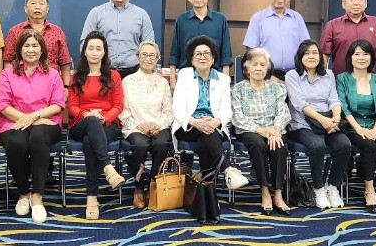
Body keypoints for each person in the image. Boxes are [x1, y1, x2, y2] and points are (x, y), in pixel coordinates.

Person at [0, 30, 65, 223]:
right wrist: (28, 119)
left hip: (46, 122)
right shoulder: (8, 73)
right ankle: (23, 192)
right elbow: (2, 105)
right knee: (17, 143)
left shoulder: (52, 74)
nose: (31, 50)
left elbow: (58, 104)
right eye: (26, 46)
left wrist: (34, 117)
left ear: (42, 50)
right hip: (13, 121)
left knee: (37, 137)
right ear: (19, 50)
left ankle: (37, 197)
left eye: (35, 46)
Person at [172, 35, 249, 192]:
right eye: (198, 54)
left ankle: (205, 191)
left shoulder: (223, 79)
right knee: (207, 132)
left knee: (207, 133)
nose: (202, 57)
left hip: (214, 126)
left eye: (207, 53)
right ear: (192, 60)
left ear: (213, 59)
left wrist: (217, 120)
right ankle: (227, 171)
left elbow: (227, 110)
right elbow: (178, 108)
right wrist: (195, 122)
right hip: (188, 126)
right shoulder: (185, 75)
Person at [284, 40, 352, 209]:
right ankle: (318, 188)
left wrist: (336, 117)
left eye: (315, 53)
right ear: (300, 57)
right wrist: (324, 121)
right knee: (317, 145)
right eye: (306, 53)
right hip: (302, 124)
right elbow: (299, 104)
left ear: (321, 57)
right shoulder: (292, 76)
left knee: (344, 144)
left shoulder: (328, 75)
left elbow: (334, 100)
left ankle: (332, 186)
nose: (311, 56)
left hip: (328, 121)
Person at [68, 31, 127, 219]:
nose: (94, 52)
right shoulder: (77, 76)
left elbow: (118, 105)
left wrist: (105, 117)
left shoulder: (114, 76)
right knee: (91, 124)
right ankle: (108, 168)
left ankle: (91, 198)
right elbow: (72, 106)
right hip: (80, 123)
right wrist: (87, 115)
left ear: (104, 52)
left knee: (89, 142)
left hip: (108, 124)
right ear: (84, 51)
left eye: (98, 49)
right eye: (90, 48)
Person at [231, 48, 291, 216]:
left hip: (274, 128)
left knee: (279, 146)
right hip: (249, 129)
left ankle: (278, 193)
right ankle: (264, 191)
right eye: (254, 64)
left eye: (262, 65)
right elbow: (237, 117)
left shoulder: (277, 89)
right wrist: (261, 131)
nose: (258, 68)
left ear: (268, 68)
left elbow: (283, 112)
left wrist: (276, 130)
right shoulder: (238, 89)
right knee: (258, 146)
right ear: (246, 69)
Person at [335, 40, 376, 214]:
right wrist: (359, 129)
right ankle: (369, 190)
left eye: (366, 54)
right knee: (368, 145)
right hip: (353, 125)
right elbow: (343, 106)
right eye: (357, 54)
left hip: (375, 124)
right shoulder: (342, 79)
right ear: (350, 57)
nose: (361, 58)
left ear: (372, 57)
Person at [119, 41, 173, 209]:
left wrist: (158, 124)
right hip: (135, 126)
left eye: (152, 55)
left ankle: (153, 184)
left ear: (157, 58)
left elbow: (169, 111)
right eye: (144, 55)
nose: (148, 58)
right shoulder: (128, 81)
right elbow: (123, 110)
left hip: (159, 125)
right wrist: (139, 125)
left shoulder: (163, 83)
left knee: (162, 143)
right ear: (137, 57)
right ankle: (139, 186)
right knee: (140, 146)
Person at [81, 0, 155, 79]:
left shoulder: (142, 15)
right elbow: (84, 43)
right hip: (103, 72)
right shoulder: (96, 13)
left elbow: (149, 45)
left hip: (134, 73)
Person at [243, 0, 311, 81]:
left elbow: (306, 48)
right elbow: (251, 52)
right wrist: (268, 76)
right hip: (266, 77)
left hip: (296, 77)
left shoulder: (297, 18)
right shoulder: (258, 18)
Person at [169, 0, 233, 87]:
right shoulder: (182, 20)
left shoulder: (220, 20)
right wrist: (172, 80)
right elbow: (174, 53)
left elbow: (226, 53)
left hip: (214, 75)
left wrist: (225, 81)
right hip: (186, 75)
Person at [3, 0, 72, 86]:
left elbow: (65, 63)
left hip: (51, 86)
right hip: (21, 86)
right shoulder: (15, 32)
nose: (37, 7)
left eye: (41, 3)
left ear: (47, 8)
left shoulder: (57, 32)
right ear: (25, 8)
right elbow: (8, 61)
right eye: (33, 3)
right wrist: (11, 84)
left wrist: (65, 87)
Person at [320, 0, 376, 75]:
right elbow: (324, 54)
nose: (356, 3)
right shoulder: (332, 25)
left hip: (370, 82)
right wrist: (322, 79)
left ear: (366, 3)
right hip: (341, 83)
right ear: (343, 4)